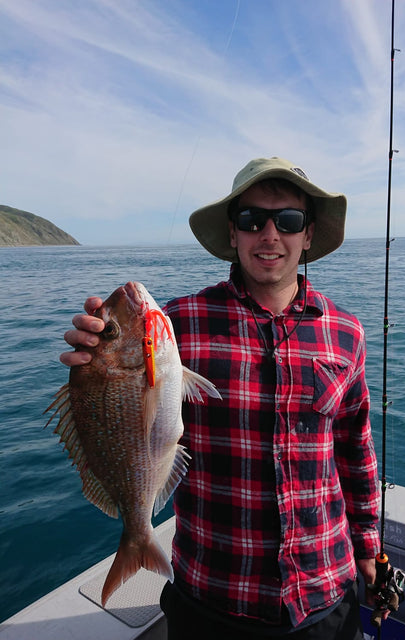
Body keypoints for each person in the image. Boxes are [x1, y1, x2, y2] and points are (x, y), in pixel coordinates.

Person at [61, 157, 381, 639]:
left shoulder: (347, 332)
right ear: (233, 234)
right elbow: (118, 400)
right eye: (252, 220)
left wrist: (368, 546)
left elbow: (355, 451)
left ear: (308, 235)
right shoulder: (177, 324)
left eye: (288, 220)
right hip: (212, 595)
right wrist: (94, 356)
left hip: (326, 592)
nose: (269, 234)